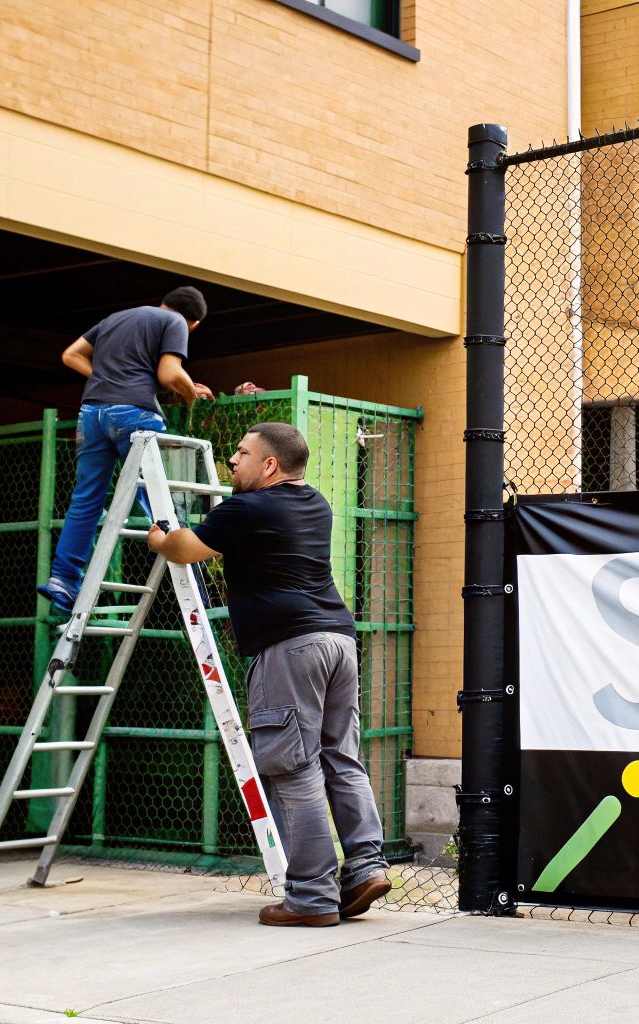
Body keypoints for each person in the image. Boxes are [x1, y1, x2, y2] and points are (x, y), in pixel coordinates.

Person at [146, 423, 391, 926]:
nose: (233, 461)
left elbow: (185, 549)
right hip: (338, 641)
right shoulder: (316, 503)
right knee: (340, 758)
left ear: (270, 465)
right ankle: (366, 866)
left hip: (288, 648)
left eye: (241, 453)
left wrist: (159, 538)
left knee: (292, 768)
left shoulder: (246, 509)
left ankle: (311, 899)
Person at [37, 286, 213, 612]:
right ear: (194, 324)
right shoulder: (174, 323)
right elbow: (169, 372)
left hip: (91, 414)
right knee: (159, 498)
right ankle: (193, 579)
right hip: (135, 413)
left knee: (86, 499)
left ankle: (63, 579)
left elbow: (71, 355)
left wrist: (110, 379)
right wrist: (190, 392)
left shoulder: (116, 318)